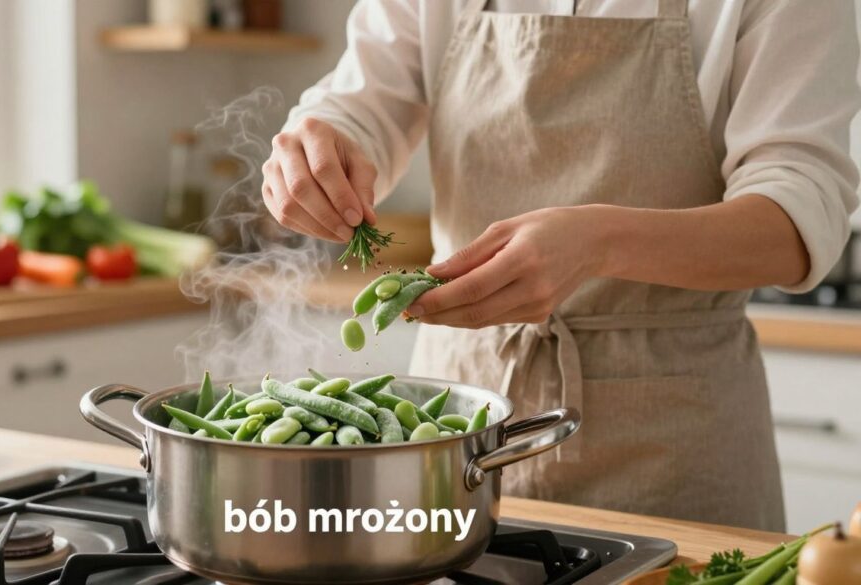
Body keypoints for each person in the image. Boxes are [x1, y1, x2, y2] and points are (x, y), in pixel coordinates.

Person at [260, 0, 861, 531]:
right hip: (464, 427)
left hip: (677, 439)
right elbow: (360, 105)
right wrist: (322, 145)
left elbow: (797, 219)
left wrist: (602, 242)